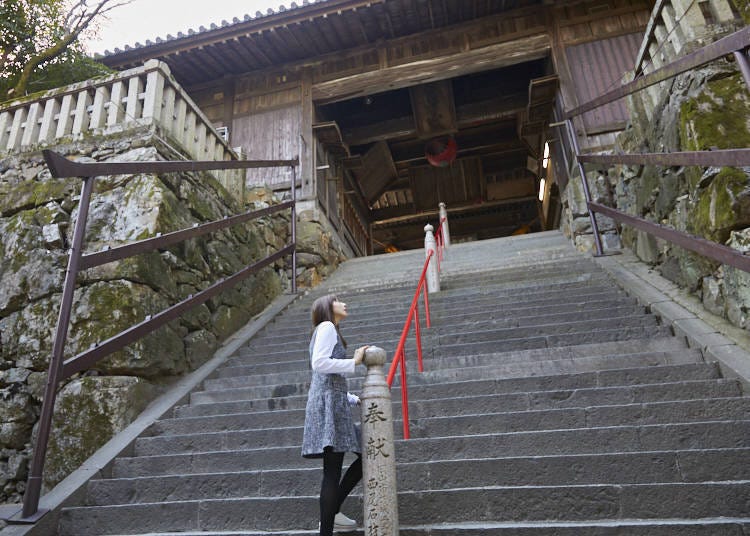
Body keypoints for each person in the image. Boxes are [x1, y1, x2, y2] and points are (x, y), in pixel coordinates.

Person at [302, 294, 369, 535]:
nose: (344, 303)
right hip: (329, 405)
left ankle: (332, 515)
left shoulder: (328, 330)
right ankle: (328, 523)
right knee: (335, 470)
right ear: (327, 308)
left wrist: (352, 398)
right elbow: (319, 364)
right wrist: (355, 361)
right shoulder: (327, 326)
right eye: (337, 300)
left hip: (332, 401)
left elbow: (326, 378)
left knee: (339, 467)